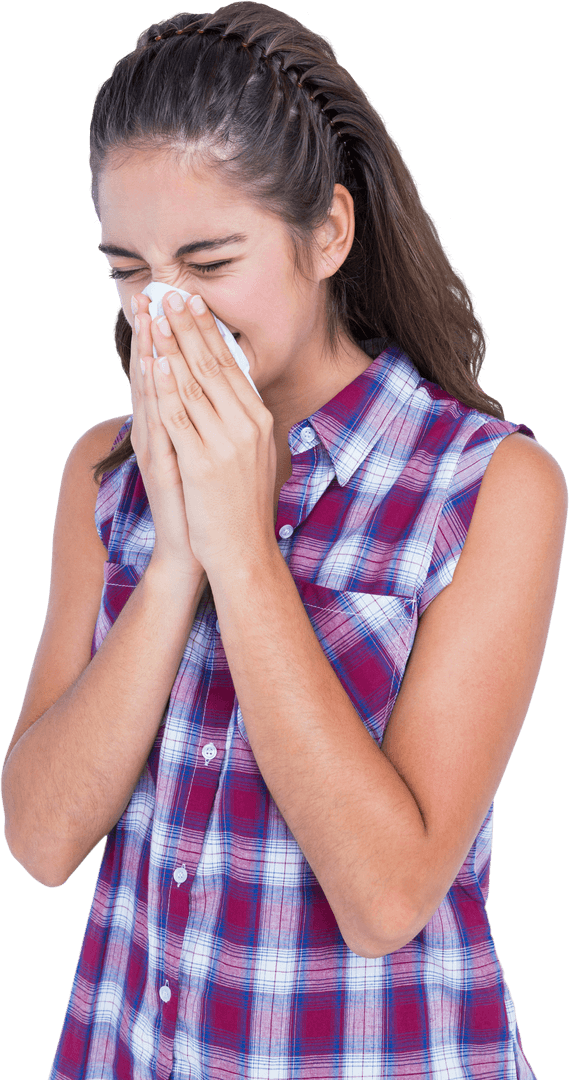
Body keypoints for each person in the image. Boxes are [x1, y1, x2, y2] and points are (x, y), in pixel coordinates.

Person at [1, 4, 566, 1078]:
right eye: (129, 268)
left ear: (328, 234)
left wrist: (245, 555)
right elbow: (39, 840)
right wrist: (174, 556)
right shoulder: (100, 473)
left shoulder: (486, 485)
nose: (164, 312)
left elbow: (386, 899)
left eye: (209, 260)